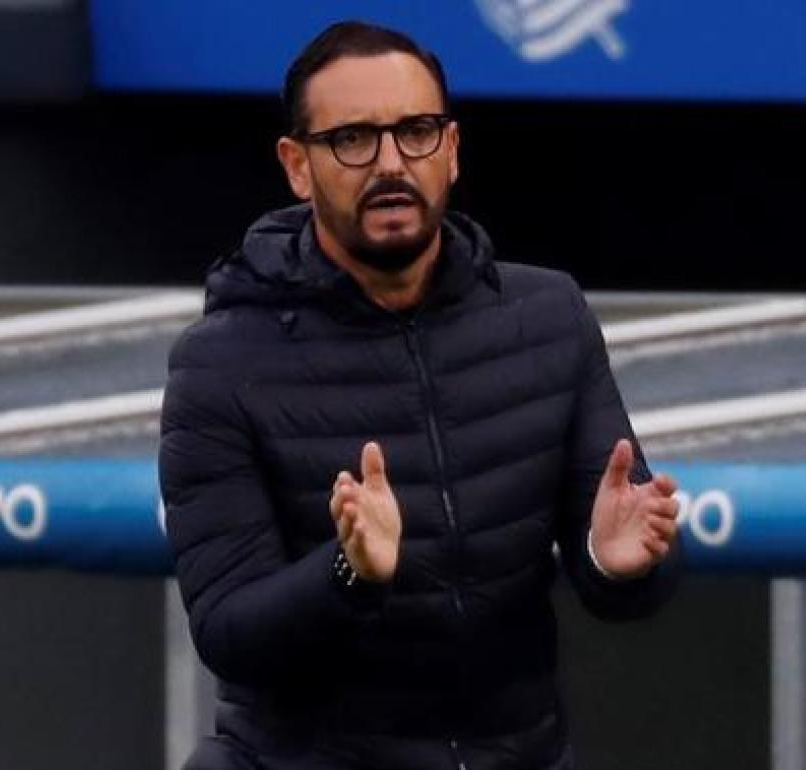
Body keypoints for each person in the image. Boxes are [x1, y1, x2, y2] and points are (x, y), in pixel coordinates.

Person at [159, 20, 682, 770]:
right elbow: (230, 635)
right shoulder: (219, 364)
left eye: (416, 132)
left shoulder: (550, 317)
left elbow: (627, 578)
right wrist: (350, 572)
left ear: (454, 149)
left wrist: (614, 559)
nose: (391, 163)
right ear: (297, 166)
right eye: (353, 140)